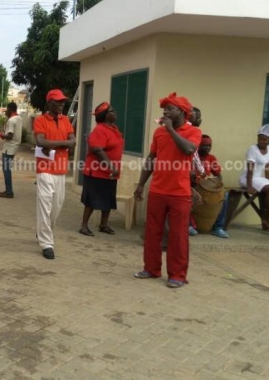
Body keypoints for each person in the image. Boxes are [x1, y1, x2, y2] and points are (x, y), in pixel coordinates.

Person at [133, 92, 201, 288]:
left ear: (182, 111)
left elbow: (189, 150)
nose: (165, 111)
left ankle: (177, 275)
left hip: (180, 194)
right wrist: (140, 184)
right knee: (152, 232)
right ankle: (151, 269)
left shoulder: (193, 132)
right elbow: (151, 158)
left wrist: (171, 130)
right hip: (157, 190)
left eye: (170, 108)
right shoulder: (159, 133)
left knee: (178, 236)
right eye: (164, 108)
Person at [34, 89, 76, 259]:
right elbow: (40, 141)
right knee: (45, 204)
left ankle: (43, 230)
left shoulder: (66, 120)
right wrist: (63, 143)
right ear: (49, 102)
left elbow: (73, 142)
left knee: (56, 207)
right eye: (58, 101)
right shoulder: (40, 120)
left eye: (63, 101)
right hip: (44, 169)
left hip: (60, 169)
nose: (61, 104)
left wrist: (54, 144)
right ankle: (46, 243)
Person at [79, 102, 123, 236]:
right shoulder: (100, 130)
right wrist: (111, 166)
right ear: (105, 115)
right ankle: (84, 226)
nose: (115, 113)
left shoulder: (113, 129)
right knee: (91, 200)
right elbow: (98, 150)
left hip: (109, 173)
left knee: (108, 199)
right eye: (112, 111)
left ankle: (104, 224)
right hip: (96, 171)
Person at [240, 124, 269, 232]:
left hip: (258, 178)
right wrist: (249, 186)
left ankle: (266, 219)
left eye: (264, 140)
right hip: (247, 178)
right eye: (260, 139)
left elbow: (268, 168)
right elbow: (250, 169)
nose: (261, 141)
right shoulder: (253, 149)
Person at [0, 102, 23, 198]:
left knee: (6, 170)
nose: (6, 111)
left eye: (7, 109)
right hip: (15, 146)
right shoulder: (19, 118)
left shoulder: (11, 120)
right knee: (7, 169)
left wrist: (0, 134)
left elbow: (10, 136)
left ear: (10, 109)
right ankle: (8, 190)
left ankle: (9, 191)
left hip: (9, 147)